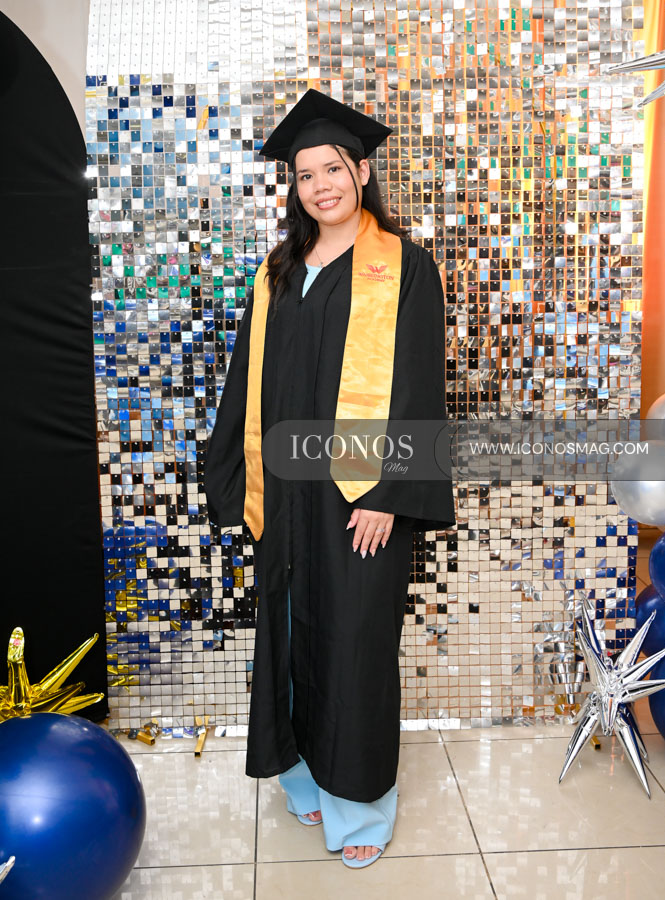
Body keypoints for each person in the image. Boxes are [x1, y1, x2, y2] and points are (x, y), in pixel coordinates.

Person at [205, 88, 455, 868]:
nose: (320, 185)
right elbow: (247, 381)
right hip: (287, 491)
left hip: (357, 495)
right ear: (295, 185)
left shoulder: (404, 268)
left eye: (333, 169)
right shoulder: (277, 272)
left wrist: (387, 493)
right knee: (289, 633)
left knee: (352, 643)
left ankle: (361, 811)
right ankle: (302, 780)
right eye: (305, 173)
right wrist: (241, 478)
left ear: (362, 172)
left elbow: (417, 385)